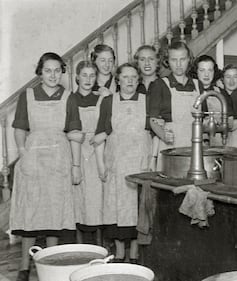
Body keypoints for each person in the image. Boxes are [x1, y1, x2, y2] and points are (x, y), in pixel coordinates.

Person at [10, 52, 79, 281]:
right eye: (48, 70)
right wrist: (23, 154)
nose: (52, 75)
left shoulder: (69, 97)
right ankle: (23, 265)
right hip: (33, 158)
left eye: (57, 70)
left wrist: (75, 164)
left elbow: (74, 131)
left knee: (55, 214)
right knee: (31, 213)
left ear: (62, 72)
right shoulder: (27, 95)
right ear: (40, 72)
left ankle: (50, 263)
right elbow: (20, 128)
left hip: (59, 158)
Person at [94, 63, 151, 263]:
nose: (129, 81)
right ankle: (119, 253)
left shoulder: (147, 101)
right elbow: (99, 134)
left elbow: (155, 131)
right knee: (117, 211)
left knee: (137, 211)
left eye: (134, 77)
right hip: (116, 165)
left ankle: (134, 254)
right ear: (118, 80)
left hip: (139, 164)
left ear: (138, 80)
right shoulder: (108, 102)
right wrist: (101, 166)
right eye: (125, 77)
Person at [67, 61, 104, 245]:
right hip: (77, 152)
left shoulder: (100, 98)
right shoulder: (70, 99)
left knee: (96, 201)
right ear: (77, 77)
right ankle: (81, 247)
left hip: (97, 151)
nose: (88, 79)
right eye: (84, 75)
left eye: (92, 76)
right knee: (78, 201)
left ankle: (99, 247)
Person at [148, 42, 201, 169]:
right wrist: (163, 134)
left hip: (194, 146)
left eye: (182, 59)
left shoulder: (198, 85)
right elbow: (153, 120)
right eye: (174, 60)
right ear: (167, 61)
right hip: (170, 146)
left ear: (189, 60)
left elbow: (203, 120)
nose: (178, 64)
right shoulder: (159, 85)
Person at [191, 55, 234, 146]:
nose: (206, 75)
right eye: (202, 70)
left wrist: (219, 124)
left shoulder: (221, 93)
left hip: (217, 145)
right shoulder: (190, 92)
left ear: (214, 72)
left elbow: (230, 121)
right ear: (196, 72)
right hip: (193, 143)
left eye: (210, 70)